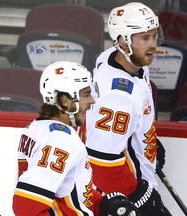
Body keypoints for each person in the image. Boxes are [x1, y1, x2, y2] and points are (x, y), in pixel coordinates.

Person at [12, 61, 141, 216]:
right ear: (65, 101)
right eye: (86, 94)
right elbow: (28, 206)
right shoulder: (62, 141)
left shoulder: (36, 128)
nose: (92, 101)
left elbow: (64, 189)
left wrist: (101, 203)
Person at [85, 2, 171, 215]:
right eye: (144, 38)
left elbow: (128, 122)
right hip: (121, 199)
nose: (153, 45)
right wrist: (138, 195)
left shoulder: (117, 59)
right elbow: (102, 164)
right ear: (123, 42)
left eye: (153, 36)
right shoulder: (118, 98)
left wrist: (146, 140)